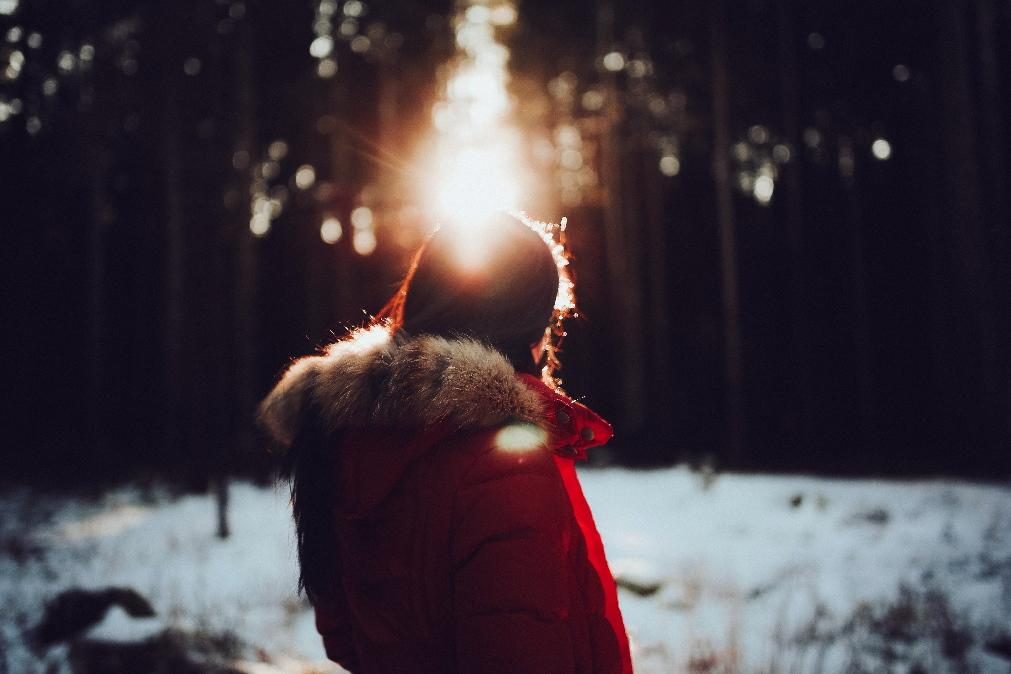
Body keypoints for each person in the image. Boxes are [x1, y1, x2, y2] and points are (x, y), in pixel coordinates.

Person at [258, 212, 633, 673]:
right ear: (524, 326)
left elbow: (343, 635)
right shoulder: (502, 463)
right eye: (546, 320)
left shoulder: (344, 443)